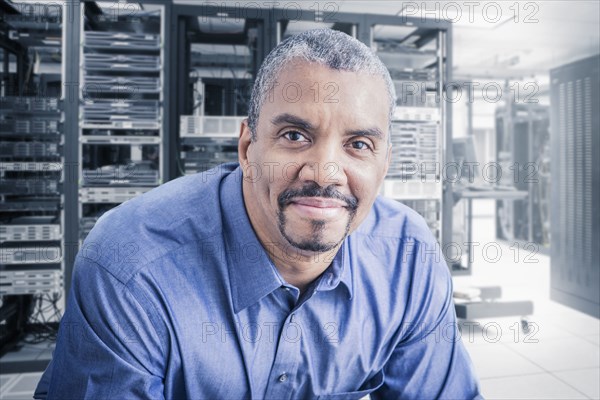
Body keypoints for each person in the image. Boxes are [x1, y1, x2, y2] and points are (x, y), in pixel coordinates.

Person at [35, 29, 481, 399]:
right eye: (294, 135)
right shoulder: (129, 265)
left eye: (358, 145)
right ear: (248, 148)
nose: (325, 172)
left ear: (384, 164)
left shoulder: (408, 256)